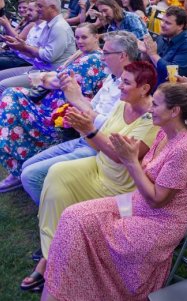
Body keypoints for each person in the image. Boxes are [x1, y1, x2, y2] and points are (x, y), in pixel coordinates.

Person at [41, 83, 187, 301]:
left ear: (174, 111)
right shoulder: (164, 133)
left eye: (156, 104)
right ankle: (63, 290)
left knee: (85, 230)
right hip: (135, 204)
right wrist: (129, 157)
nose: (150, 109)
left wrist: (131, 160)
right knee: (72, 217)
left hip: (159, 223)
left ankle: (76, 291)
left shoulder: (185, 149)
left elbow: (157, 201)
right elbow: (146, 176)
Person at [20, 61, 160, 292]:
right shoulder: (121, 104)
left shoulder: (151, 119)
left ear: (144, 88)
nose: (120, 86)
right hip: (98, 166)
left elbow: (120, 156)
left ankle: (54, 261)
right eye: (120, 80)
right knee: (56, 174)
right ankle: (53, 253)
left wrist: (89, 130)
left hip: (120, 185)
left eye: (126, 82)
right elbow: (101, 134)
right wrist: (82, 124)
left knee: (64, 191)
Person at [19, 32, 139, 203]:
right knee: (26, 167)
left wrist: (77, 101)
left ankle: (59, 221)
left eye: (106, 53)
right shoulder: (110, 78)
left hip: (99, 147)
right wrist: (75, 93)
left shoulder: (132, 85)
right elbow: (92, 107)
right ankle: (57, 206)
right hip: (84, 139)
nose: (102, 58)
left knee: (30, 176)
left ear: (123, 56)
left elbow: (114, 127)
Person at [0, 24, 108, 192]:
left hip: (61, 110)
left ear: (96, 37)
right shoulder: (81, 54)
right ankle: (17, 166)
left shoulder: (93, 59)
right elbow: (54, 76)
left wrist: (41, 77)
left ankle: (17, 168)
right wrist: (45, 77)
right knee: (11, 95)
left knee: (10, 96)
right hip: (50, 100)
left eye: (84, 37)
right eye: (77, 37)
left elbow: (58, 80)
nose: (79, 41)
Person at [0, 0, 76, 92]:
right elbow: (34, 53)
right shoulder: (48, 25)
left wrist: (24, 47)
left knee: (2, 86)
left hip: (49, 75)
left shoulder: (59, 27)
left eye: (40, 6)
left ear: (52, 8)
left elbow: (48, 57)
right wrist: (18, 46)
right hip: (36, 68)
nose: (37, 9)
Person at [138, 6, 187, 84]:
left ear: (180, 26)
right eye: (163, 21)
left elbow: (172, 76)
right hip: (157, 85)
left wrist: (153, 55)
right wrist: (146, 53)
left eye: (168, 23)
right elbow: (150, 64)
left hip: (178, 92)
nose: (162, 25)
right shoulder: (164, 36)